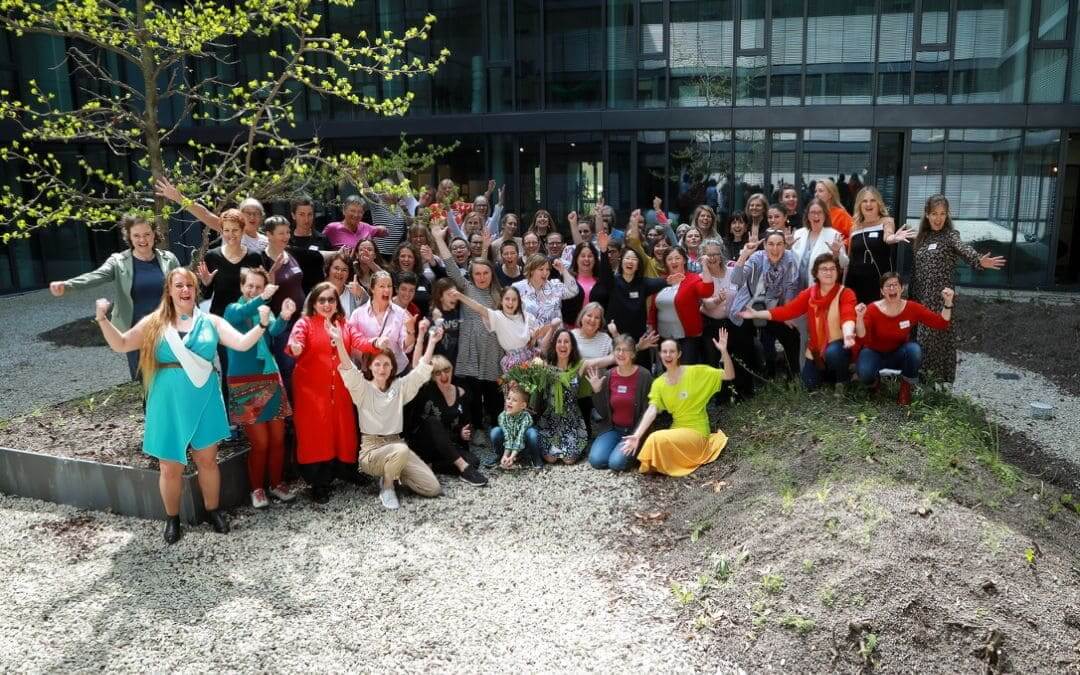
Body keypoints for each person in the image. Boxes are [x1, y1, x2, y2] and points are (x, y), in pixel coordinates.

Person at [94, 267, 269, 543]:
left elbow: (242, 343)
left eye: (189, 285)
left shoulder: (210, 321)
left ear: (195, 289)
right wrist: (102, 318)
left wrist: (261, 325)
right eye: (179, 285)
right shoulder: (154, 323)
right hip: (167, 402)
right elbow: (122, 343)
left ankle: (213, 511)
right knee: (170, 467)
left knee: (208, 461)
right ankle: (172, 518)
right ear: (169, 290)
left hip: (205, 397)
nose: (185, 290)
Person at [331, 317, 445, 510]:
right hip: (371, 451)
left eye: (386, 365)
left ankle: (394, 472)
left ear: (393, 368)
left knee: (432, 487)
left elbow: (419, 373)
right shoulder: (362, 389)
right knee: (400, 450)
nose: (382, 369)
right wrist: (340, 342)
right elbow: (349, 369)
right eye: (377, 364)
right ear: (370, 367)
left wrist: (432, 342)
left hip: (396, 446)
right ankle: (387, 486)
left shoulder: (399, 387)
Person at [49, 214, 181, 379]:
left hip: (168, 329)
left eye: (147, 234)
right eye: (136, 235)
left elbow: (183, 290)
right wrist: (68, 285)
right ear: (129, 237)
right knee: (148, 383)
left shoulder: (169, 259)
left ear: (154, 234)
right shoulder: (119, 262)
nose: (143, 239)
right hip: (136, 333)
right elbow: (96, 276)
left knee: (174, 378)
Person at [287, 282, 382, 503]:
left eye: (331, 300)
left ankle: (345, 471)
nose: (327, 304)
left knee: (343, 430)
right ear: (313, 303)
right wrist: (295, 347)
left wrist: (376, 343)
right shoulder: (305, 323)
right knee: (316, 435)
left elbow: (360, 341)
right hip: (312, 392)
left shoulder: (343, 324)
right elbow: (295, 342)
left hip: (340, 390)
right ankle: (318, 482)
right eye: (322, 300)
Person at [223, 268, 297, 508]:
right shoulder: (233, 310)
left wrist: (284, 316)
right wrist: (263, 297)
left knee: (277, 439)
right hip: (245, 383)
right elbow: (243, 312)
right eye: (250, 286)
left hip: (269, 378)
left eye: (258, 286)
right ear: (242, 286)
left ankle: (276, 484)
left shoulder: (265, 310)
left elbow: (273, 332)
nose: (253, 290)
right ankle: (257, 489)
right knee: (261, 443)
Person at [911, 194, 1005, 382]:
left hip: (941, 300)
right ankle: (923, 383)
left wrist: (978, 260)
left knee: (937, 341)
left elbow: (963, 248)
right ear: (927, 215)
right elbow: (916, 271)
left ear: (947, 215)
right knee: (921, 342)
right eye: (934, 213)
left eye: (942, 214)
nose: (938, 218)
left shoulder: (950, 236)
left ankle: (938, 386)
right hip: (921, 300)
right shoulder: (922, 238)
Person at [620, 331, 734, 477]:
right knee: (655, 439)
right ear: (660, 355)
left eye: (672, 351)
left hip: (697, 432)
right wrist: (637, 435)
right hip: (677, 430)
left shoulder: (697, 372)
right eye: (664, 352)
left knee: (656, 438)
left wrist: (724, 352)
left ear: (679, 354)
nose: (668, 355)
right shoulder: (659, 383)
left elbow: (728, 375)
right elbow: (652, 410)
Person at [739, 253, 857, 393]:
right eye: (824, 269)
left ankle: (842, 380)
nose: (828, 272)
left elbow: (848, 315)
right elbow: (787, 311)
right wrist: (757, 314)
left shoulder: (846, 293)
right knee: (809, 384)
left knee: (834, 353)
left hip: (839, 343)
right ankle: (829, 376)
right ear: (816, 273)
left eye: (832, 268)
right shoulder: (810, 293)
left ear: (838, 272)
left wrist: (849, 334)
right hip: (816, 348)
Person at [432, 223, 505, 430]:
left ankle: (497, 431)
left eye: (485, 273)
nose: (481, 277)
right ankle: (475, 430)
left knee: (494, 394)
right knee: (472, 394)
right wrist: (438, 239)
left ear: (491, 274)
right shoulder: (466, 287)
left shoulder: (498, 293)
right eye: (477, 274)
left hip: (492, 348)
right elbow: (450, 266)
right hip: (470, 347)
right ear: (472, 275)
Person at [855, 274, 955, 405]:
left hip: (898, 354)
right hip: (874, 352)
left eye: (895, 285)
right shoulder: (872, 309)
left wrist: (948, 303)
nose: (892, 288)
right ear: (881, 291)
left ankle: (905, 388)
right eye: (888, 286)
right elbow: (861, 337)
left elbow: (941, 323)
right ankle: (874, 383)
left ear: (902, 289)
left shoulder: (912, 308)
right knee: (865, 373)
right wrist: (859, 317)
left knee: (914, 350)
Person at [727, 231, 801, 398]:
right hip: (746, 308)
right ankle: (744, 390)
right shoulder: (756, 258)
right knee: (743, 346)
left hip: (771, 308)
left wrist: (788, 315)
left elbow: (790, 289)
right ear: (765, 245)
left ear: (785, 245)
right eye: (771, 244)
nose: (775, 249)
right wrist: (744, 256)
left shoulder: (790, 259)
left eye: (779, 244)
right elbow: (736, 281)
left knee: (791, 335)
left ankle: (794, 382)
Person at [404, 355, 489, 486]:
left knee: (473, 461)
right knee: (432, 421)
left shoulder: (461, 393)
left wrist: (462, 432)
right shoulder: (426, 391)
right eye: (438, 372)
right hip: (423, 444)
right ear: (432, 376)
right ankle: (464, 469)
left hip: (446, 446)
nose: (444, 375)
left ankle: (430, 467)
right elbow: (415, 371)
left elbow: (466, 426)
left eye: (447, 370)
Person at [584, 335, 653, 472]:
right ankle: (617, 448)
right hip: (613, 429)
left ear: (633, 354)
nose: (621, 353)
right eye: (618, 349)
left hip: (634, 431)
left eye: (625, 350)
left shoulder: (644, 376)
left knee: (616, 464)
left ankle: (632, 450)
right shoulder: (609, 375)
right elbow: (603, 412)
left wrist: (638, 435)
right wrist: (597, 391)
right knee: (596, 460)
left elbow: (649, 411)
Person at [449, 285, 556, 372]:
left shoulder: (526, 316)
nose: (510, 303)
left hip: (532, 357)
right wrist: (460, 296)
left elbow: (534, 339)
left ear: (518, 302)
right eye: (507, 299)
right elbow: (479, 308)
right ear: (501, 301)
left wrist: (534, 337)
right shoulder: (498, 316)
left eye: (514, 300)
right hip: (514, 363)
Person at [154, 177, 268, 253]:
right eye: (248, 213)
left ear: (261, 217)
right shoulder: (230, 230)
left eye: (256, 214)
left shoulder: (267, 241)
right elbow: (205, 214)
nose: (252, 217)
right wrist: (178, 198)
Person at [847, 186, 915, 304]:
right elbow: (849, 258)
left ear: (878, 203)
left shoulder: (886, 221)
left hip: (879, 283)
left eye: (872, 200)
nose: (869, 204)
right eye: (865, 201)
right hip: (854, 282)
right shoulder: (854, 227)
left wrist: (893, 238)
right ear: (860, 205)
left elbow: (888, 237)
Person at [650, 246, 714, 365]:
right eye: (669, 259)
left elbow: (707, 291)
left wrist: (705, 266)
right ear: (665, 262)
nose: (673, 262)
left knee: (686, 372)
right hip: (664, 337)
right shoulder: (661, 281)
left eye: (677, 258)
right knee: (668, 373)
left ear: (684, 260)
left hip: (687, 337)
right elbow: (653, 309)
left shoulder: (693, 279)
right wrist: (651, 329)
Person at [537, 329, 590, 464]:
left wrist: (635, 348)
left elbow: (605, 360)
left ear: (572, 346)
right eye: (559, 341)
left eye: (566, 341)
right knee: (550, 459)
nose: (562, 345)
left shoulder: (579, 366)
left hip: (572, 420)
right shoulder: (546, 366)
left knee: (569, 460)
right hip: (550, 420)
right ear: (554, 345)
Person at [197, 209, 264, 316]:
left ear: (242, 231)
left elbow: (261, 292)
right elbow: (206, 296)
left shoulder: (255, 257)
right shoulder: (212, 256)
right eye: (226, 230)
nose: (230, 234)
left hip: (247, 319)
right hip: (220, 320)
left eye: (235, 230)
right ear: (222, 232)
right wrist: (206, 283)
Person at [348, 270, 415, 375]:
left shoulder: (401, 313)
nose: (387, 290)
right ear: (372, 289)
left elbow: (406, 347)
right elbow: (351, 343)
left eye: (389, 286)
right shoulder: (358, 314)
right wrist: (366, 359)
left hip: (396, 372)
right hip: (370, 372)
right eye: (382, 286)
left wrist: (411, 332)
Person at [791, 198, 848, 290]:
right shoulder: (798, 234)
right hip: (797, 289)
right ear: (808, 215)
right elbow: (791, 262)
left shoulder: (833, 235)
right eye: (812, 212)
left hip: (821, 290)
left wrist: (836, 253)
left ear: (825, 215)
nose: (816, 215)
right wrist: (788, 247)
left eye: (819, 212)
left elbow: (844, 263)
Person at [513, 254, 580, 326]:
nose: (545, 273)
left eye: (547, 269)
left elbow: (573, 290)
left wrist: (563, 270)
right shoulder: (518, 288)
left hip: (556, 334)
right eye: (541, 269)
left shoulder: (554, 285)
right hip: (531, 335)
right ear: (531, 270)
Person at [287, 195, 333, 294]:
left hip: (319, 294)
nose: (306, 219)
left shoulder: (322, 239)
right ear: (293, 215)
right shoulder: (287, 240)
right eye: (302, 214)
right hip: (294, 295)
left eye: (310, 214)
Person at [491, 384, 542, 469]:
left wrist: (513, 455)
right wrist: (506, 455)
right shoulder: (502, 416)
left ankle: (534, 458)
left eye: (514, 400)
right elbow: (508, 437)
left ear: (523, 406)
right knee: (495, 431)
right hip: (508, 446)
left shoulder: (526, 417)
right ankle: (501, 457)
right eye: (508, 398)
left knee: (532, 433)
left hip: (522, 447)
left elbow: (520, 437)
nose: (510, 402)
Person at [429, 277, 463, 365]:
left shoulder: (459, 314)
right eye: (449, 294)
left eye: (455, 294)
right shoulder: (434, 315)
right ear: (440, 297)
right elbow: (428, 339)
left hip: (456, 366)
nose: (453, 298)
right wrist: (436, 323)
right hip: (439, 365)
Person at [324, 252, 367, 317]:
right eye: (336, 268)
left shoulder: (355, 291)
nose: (339, 272)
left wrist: (362, 294)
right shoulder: (317, 292)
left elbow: (371, 310)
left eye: (344, 270)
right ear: (328, 270)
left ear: (348, 274)